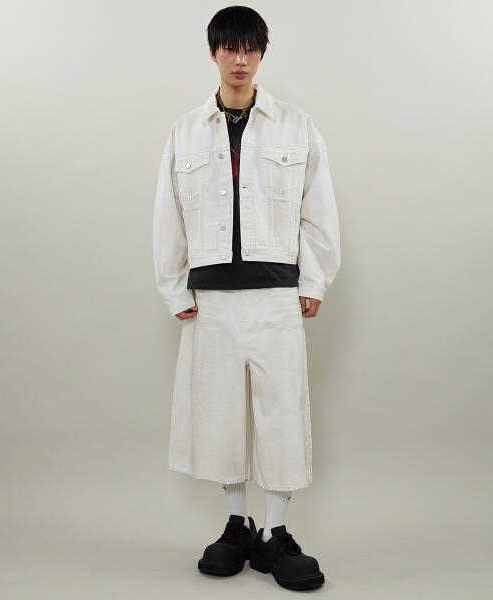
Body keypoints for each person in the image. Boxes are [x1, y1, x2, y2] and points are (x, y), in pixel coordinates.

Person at [153, 5, 340, 591]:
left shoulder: (296, 126)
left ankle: (277, 534)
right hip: (210, 302)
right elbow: (168, 215)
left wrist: (313, 280)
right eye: (229, 48)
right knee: (219, 413)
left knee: (281, 411)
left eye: (249, 49)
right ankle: (237, 524)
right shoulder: (185, 131)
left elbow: (318, 207)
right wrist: (173, 286)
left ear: (261, 54)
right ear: (213, 53)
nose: (239, 59)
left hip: (277, 297)